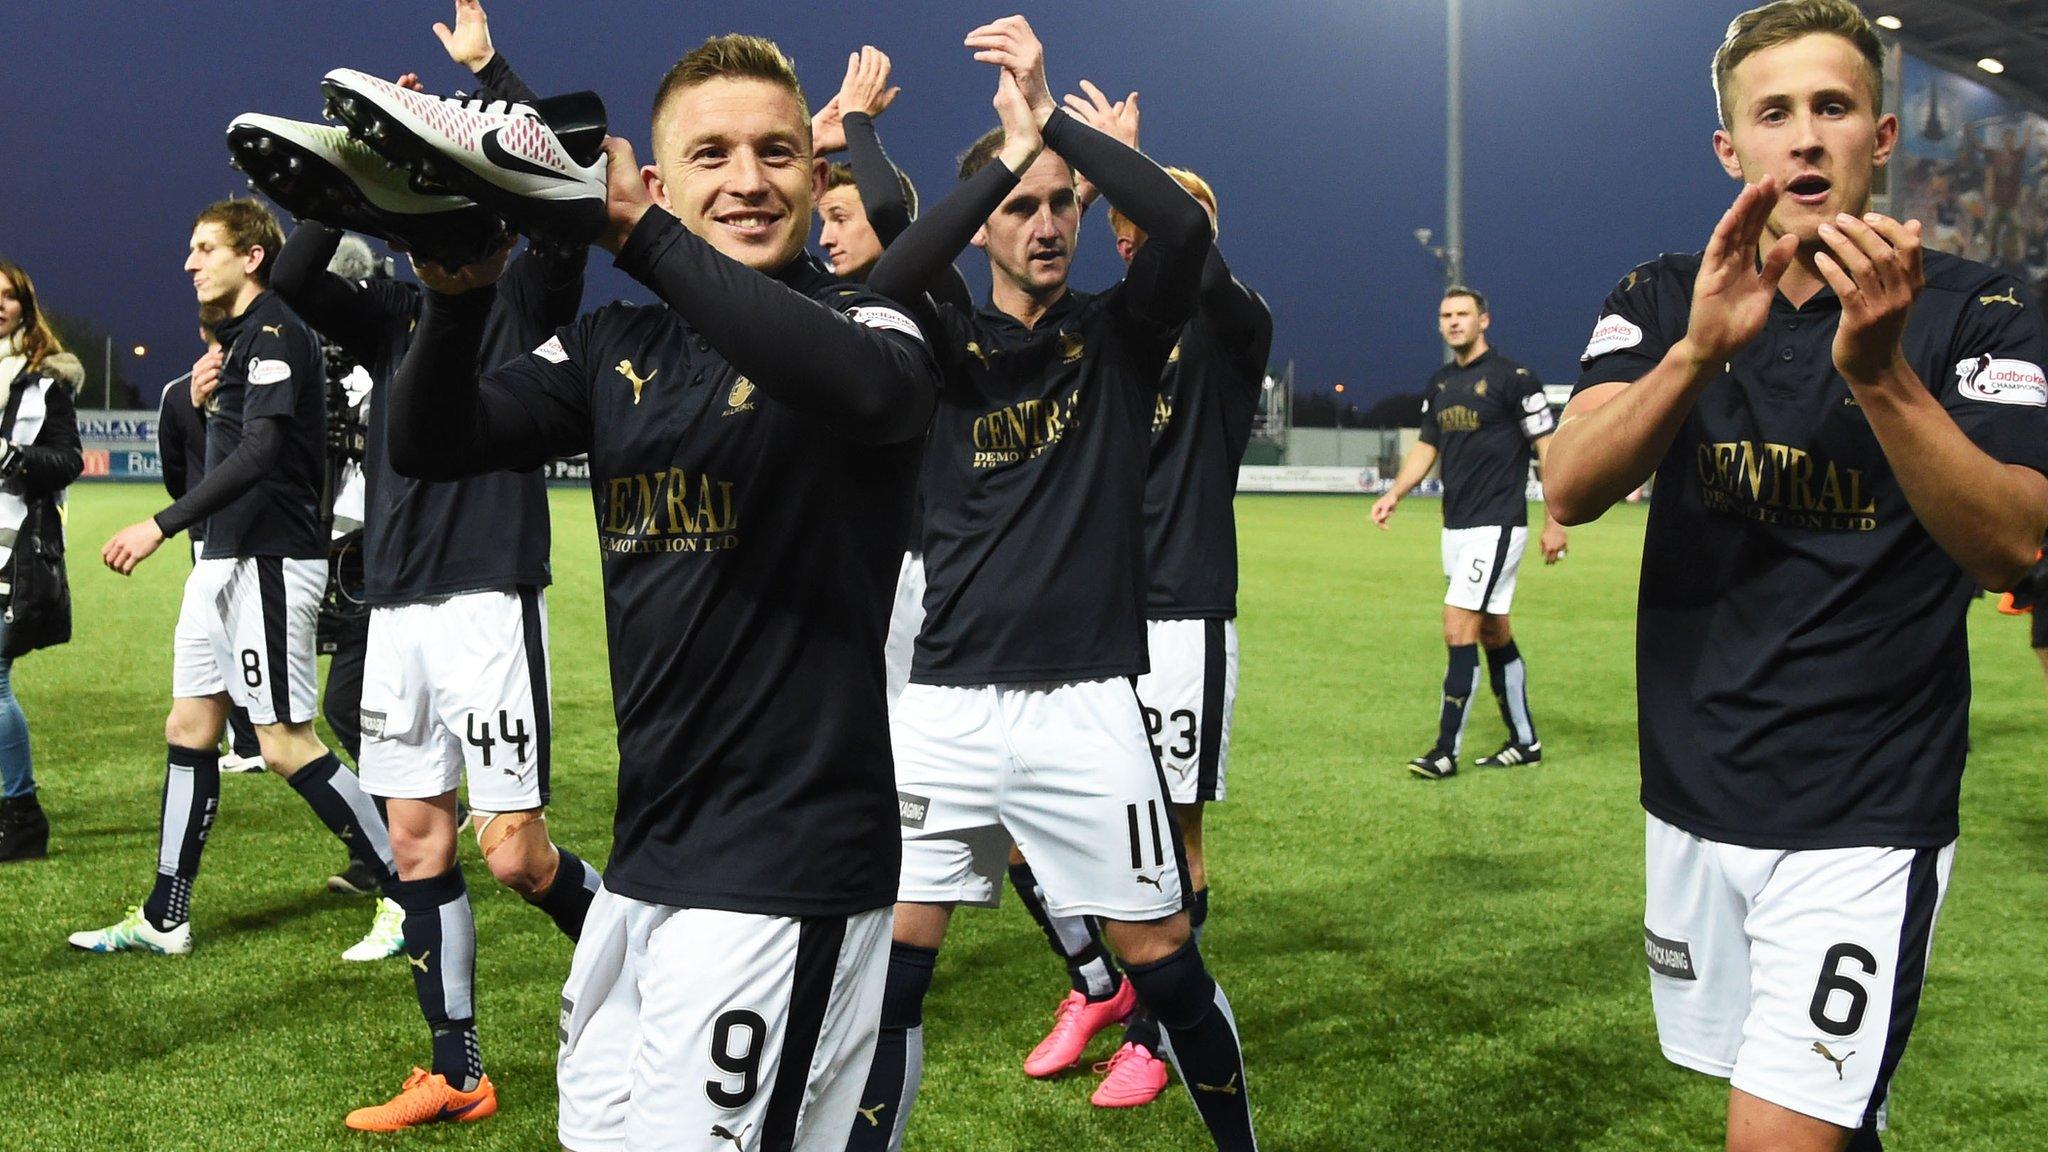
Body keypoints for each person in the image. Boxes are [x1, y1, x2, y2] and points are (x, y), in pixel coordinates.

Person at [346, 30, 938, 1147]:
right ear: (663, 179)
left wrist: (634, 231)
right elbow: (436, 439)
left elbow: (861, 394)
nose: (749, 180)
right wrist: (458, 293)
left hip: (787, 869)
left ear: (816, 177)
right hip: (646, 861)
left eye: (775, 152)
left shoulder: (873, 321)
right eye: (710, 155)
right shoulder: (619, 342)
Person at [1545, 3, 2048, 1149]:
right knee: (1823, 1115)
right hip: (1691, 797)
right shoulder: (1662, 296)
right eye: (1773, 113)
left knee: (1779, 1133)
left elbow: (2015, 542)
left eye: (1831, 107)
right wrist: (1696, 353)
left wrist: (1879, 377)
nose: (1804, 137)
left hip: (1862, 813)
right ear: (1731, 152)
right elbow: (1569, 483)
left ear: (1879, 137)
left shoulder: (1980, 308)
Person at [851, 18, 1256, 1150]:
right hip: (942, 703)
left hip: (1085, 703)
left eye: (1060, 205)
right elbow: (891, 254)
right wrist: (987, 159)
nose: (1043, 224)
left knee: (1162, 961)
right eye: (1021, 205)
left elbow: (1176, 222)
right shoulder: (936, 338)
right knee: (890, 974)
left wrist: (1054, 123)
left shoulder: (1118, 336)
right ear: (983, 223)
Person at [249, 3, 602, 1127]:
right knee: (416, 841)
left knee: (517, 857)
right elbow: (301, 275)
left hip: (489, 593)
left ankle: (651, 965)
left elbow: (551, 169)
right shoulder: (396, 310)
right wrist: (345, 160)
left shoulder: (531, 284)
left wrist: (487, 79)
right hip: (396, 601)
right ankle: (457, 1071)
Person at [1000, 85, 1272, 1109]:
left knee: (1172, 838)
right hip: (1087, 613)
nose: (1130, 237)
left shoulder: (1233, 331)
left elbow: (1187, 238)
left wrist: (1116, 157)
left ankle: (1154, 1037)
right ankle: (1104, 989)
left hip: (1179, 609)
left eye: (1145, 217)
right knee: (1034, 823)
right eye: (1119, 221)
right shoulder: (1107, 338)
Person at [69, 198, 399, 957]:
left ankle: (411, 892)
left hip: (271, 560)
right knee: (189, 729)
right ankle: (164, 916)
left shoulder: (278, 327)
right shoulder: (238, 342)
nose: (190, 263)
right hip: (221, 564)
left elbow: (260, 455)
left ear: (251, 257)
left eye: (204, 248)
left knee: (285, 743)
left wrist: (159, 524)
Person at [1370, 287, 1566, 779]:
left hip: (1497, 525)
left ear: (1485, 321)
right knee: (1493, 631)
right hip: (1454, 526)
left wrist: (1556, 519)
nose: (1454, 322)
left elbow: (1549, 448)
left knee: (1457, 624)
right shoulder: (1439, 384)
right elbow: (1425, 447)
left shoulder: (1514, 379)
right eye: (1446, 315)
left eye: (1463, 314)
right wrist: (1395, 493)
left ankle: (1444, 750)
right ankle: (1525, 740)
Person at [0, 258, 84, 863]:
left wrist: (13, 460)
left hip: (12, 548)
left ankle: (23, 816)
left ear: (25, 309)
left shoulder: (45, 382)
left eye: (7, 297)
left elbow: (68, 460)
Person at [159, 308, 267, 776]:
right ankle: (248, 741)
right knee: (222, 645)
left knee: (245, 644)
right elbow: (176, 475)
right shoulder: (179, 395)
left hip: (258, 537)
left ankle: (262, 737)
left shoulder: (263, 385)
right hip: (211, 536)